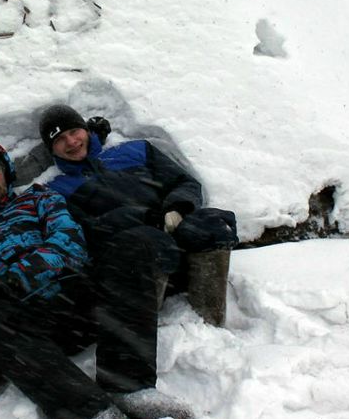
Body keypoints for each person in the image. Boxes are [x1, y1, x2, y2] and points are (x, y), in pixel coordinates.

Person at [0, 137, 194, 419]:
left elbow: (68, 240)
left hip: (75, 294)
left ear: (6, 174)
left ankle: (131, 387)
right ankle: (91, 415)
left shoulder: (37, 198)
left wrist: (21, 275)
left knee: (129, 247)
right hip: (29, 327)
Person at [27, 104, 238, 325]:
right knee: (150, 242)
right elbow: (85, 230)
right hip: (132, 263)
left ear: (85, 130)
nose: (71, 141)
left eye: (73, 132)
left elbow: (184, 182)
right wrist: (142, 217)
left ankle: (210, 324)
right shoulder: (57, 189)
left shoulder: (136, 150)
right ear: (51, 149)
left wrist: (177, 208)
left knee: (212, 223)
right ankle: (148, 325)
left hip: (176, 237)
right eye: (60, 139)